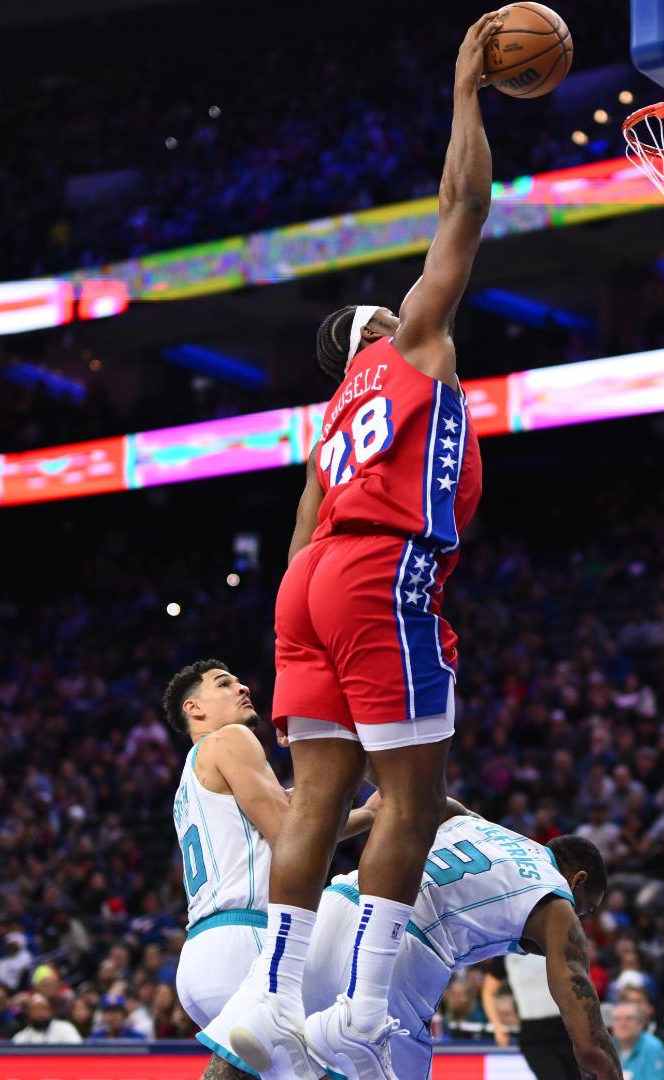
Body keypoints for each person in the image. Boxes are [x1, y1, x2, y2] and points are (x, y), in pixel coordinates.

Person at [227, 13, 504, 1080]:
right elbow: (463, 207)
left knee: (317, 801)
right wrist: (466, 96)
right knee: (417, 803)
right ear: (379, 331)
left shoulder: (330, 418)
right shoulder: (415, 346)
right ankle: (362, 1010)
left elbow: (300, 534)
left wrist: (305, 616)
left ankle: (270, 997)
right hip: (383, 574)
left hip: (312, 584)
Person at [202, 813, 616, 1080]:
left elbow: (414, 799)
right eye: (588, 909)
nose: (580, 919)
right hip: (398, 944)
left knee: (237, 1063)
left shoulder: (476, 824)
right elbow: (591, 1046)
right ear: (577, 880)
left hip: (332, 906)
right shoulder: (556, 898)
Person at [164, 660, 377, 1030]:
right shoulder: (229, 738)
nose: (243, 687)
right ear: (193, 708)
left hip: (205, 953)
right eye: (224, 684)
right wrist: (370, 813)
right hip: (248, 943)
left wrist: (359, 812)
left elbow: (289, 823)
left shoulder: (191, 779)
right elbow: (290, 836)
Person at [485, 951, 582, 1080]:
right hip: (533, 1035)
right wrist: (497, 1025)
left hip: (567, 1028)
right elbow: (488, 992)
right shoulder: (507, 951)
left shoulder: (554, 943)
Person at [616, 1002, 664, 1080]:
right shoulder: (607, 1046)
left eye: (629, 1019)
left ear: (640, 1023)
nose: (622, 1024)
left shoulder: (653, 1047)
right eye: (617, 1019)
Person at [11, 995, 81, 1045]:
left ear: (50, 1011)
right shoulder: (20, 1038)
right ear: (29, 1013)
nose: (40, 1013)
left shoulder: (65, 1028)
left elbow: (77, 1051)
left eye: (43, 1008)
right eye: (35, 1009)